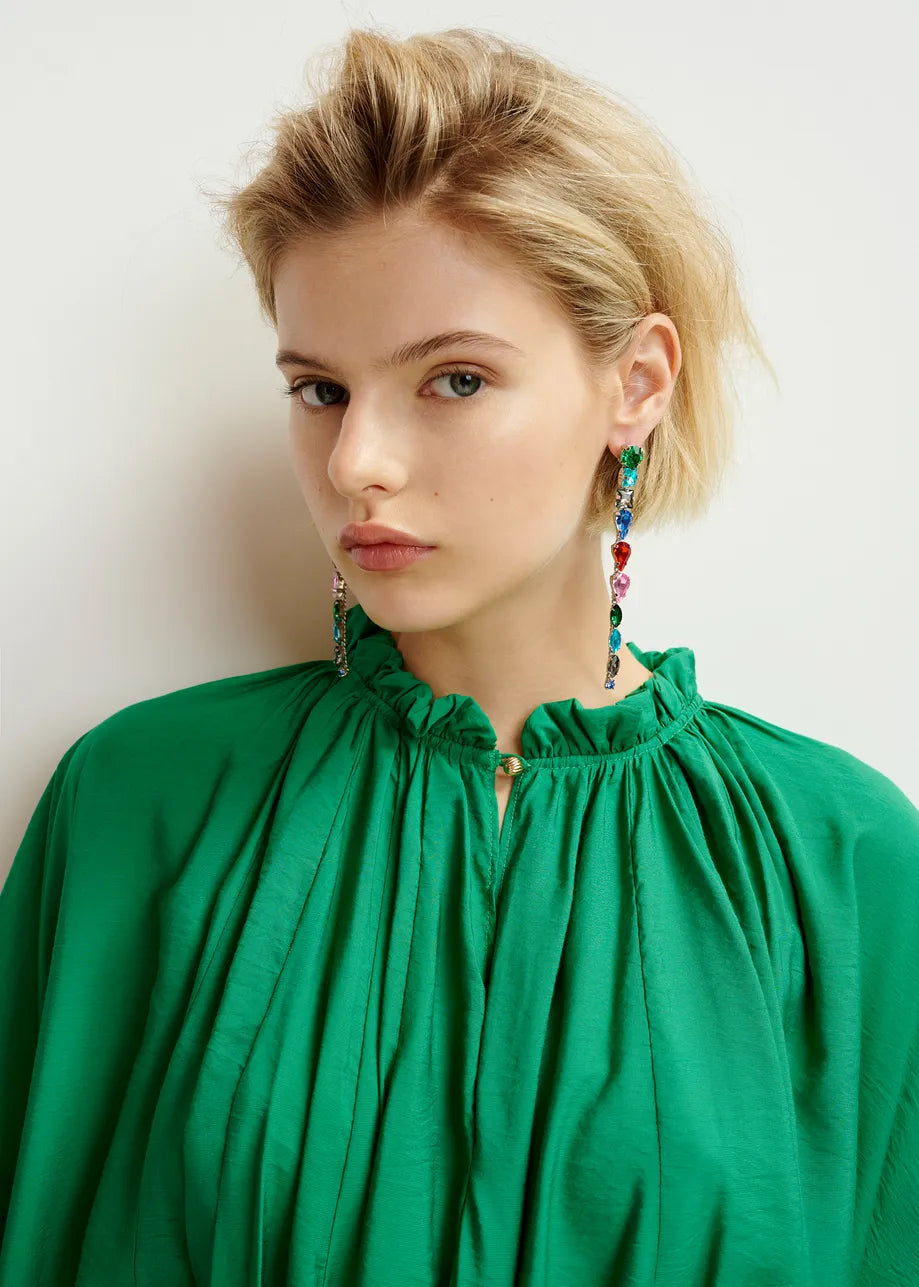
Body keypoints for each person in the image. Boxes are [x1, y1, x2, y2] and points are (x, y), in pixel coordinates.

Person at [1, 25, 917, 1287]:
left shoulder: (842, 866)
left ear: (634, 383)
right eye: (319, 388)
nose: (355, 463)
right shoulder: (140, 808)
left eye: (453, 381)